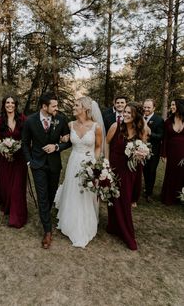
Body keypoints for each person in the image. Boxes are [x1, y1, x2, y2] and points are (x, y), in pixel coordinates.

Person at [22, 92, 71, 249]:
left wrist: (56, 146)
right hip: (38, 164)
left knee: (51, 193)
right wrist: (30, 161)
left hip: (54, 164)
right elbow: (24, 143)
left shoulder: (61, 119)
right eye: (54, 105)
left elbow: (69, 141)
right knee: (42, 196)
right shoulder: (30, 121)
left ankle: (45, 215)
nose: (57, 108)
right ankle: (47, 230)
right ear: (44, 106)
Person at [54, 97, 103, 248]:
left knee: (86, 193)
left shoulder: (96, 127)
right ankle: (70, 221)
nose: (73, 107)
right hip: (74, 161)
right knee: (73, 190)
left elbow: (98, 147)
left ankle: (85, 223)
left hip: (89, 162)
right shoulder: (70, 124)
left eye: (76, 105)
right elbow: (64, 139)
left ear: (85, 108)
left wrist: (94, 164)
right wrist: (63, 138)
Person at [105, 102, 149, 250]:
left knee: (124, 199)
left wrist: (142, 154)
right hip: (115, 165)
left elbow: (144, 148)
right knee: (113, 197)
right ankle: (114, 227)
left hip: (131, 169)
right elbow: (107, 143)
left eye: (129, 113)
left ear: (136, 116)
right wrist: (106, 164)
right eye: (124, 112)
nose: (125, 114)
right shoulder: (115, 126)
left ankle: (126, 233)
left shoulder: (141, 131)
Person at [0, 95, 28, 228]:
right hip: (4, 158)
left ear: (16, 105)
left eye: (12, 103)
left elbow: (26, 137)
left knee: (17, 186)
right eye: (7, 102)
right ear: (4, 105)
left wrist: (20, 149)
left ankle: (17, 217)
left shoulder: (22, 119)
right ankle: (7, 206)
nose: (10, 105)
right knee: (6, 184)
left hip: (19, 158)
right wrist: (3, 150)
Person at [161, 99, 184, 205]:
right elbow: (164, 139)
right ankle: (168, 197)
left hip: (183, 152)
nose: (172, 107)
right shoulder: (168, 122)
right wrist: (163, 154)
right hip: (172, 152)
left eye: (174, 105)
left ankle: (180, 197)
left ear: (180, 106)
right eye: (171, 105)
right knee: (171, 173)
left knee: (182, 174)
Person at [143, 99, 164, 202]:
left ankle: (149, 193)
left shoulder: (159, 120)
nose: (146, 109)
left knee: (151, 171)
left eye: (148, 107)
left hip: (154, 151)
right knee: (142, 170)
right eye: (145, 107)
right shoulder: (140, 117)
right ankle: (142, 189)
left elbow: (160, 136)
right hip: (140, 149)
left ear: (154, 108)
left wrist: (150, 134)